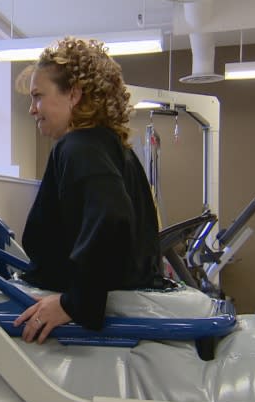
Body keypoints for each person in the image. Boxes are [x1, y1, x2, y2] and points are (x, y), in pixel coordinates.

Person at [13, 37, 165, 344]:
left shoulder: (78, 146)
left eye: (38, 97)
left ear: (74, 94)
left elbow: (110, 216)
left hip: (88, 327)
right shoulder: (113, 147)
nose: (32, 109)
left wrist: (75, 303)